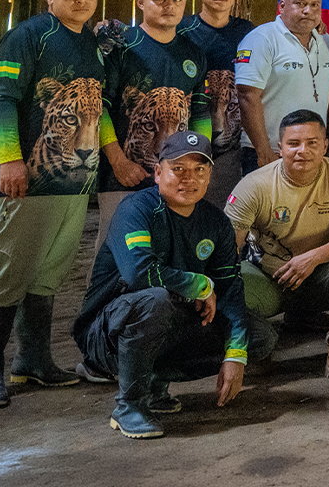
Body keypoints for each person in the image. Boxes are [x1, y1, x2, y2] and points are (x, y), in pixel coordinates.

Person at [0, 0, 105, 408]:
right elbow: (1, 99)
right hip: (25, 181)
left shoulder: (92, 42)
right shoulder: (28, 37)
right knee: (7, 270)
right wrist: (10, 159)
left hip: (73, 184)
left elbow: (98, 108)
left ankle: (33, 359)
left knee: (48, 272)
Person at [70, 131, 248, 439]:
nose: (188, 178)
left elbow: (230, 288)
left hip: (167, 324)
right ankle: (129, 406)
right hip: (107, 335)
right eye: (178, 169)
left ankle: (153, 381)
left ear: (209, 176)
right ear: (157, 172)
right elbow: (139, 274)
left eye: (199, 170)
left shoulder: (216, 222)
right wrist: (200, 284)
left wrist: (235, 355)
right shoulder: (135, 210)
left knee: (255, 336)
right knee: (156, 300)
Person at [226, 110, 329, 385]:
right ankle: (258, 346)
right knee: (229, 284)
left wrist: (312, 258)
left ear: (325, 145)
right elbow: (227, 250)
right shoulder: (254, 185)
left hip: (319, 275)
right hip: (269, 276)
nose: (302, 151)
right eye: (293, 143)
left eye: (312, 143)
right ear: (279, 148)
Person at [97, 0, 215, 238]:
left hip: (176, 177)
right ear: (141, 2)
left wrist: (199, 159)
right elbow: (99, 108)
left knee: (168, 245)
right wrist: (118, 161)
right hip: (124, 176)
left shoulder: (193, 53)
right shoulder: (121, 46)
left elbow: (200, 113)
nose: (168, 5)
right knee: (115, 245)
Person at [236, 0, 329, 171]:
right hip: (270, 150)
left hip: (311, 151)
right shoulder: (261, 38)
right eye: (300, 4)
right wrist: (263, 150)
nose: (308, 11)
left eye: (314, 5)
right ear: (282, 6)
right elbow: (247, 96)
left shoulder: (325, 41)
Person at [184, 0, 257, 201]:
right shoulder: (181, 30)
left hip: (230, 142)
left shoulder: (248, 33)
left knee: (222, 206)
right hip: (187, 135)